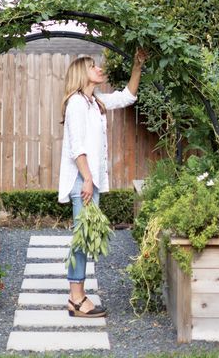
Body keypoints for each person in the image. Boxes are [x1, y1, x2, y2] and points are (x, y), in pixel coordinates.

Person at [58, 49, 147, 318]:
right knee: (82, 239)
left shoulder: (94, 101)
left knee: (84, 238)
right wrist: (87, 179)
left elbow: (127, 97)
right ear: (81, 73)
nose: (99, 69)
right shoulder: (75, 103)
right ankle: (76, 299)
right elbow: (77, 147)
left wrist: (137, 66)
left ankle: (78, 295)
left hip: (89, 179)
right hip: (81, 180)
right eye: (92, 66)